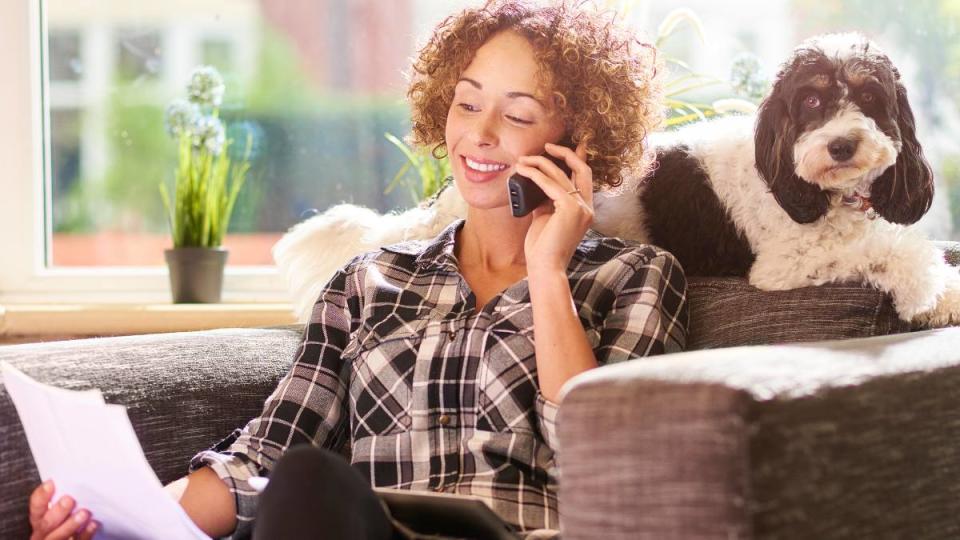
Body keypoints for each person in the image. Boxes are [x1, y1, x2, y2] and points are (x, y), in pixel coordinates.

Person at [27, 1, 687, 538]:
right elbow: (265, 456)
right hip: (361, 529)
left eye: (517, 114)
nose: (480, 134)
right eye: (466, 103)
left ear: (581, 141)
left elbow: (607, 471)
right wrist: (110, 520)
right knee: (307, 481)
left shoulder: (638, 277)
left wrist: (547, 275)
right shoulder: (367, 282)